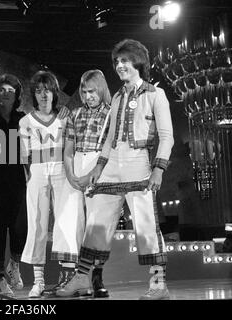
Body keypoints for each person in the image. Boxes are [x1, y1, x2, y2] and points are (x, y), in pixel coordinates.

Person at [58, 39, 174, 300]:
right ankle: (81, 278)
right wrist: (99, 167)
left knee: (146, 226)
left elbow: (167, 137)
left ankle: (158, 285)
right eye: (117, 62)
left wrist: (159, 169)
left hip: (139, 166)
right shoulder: (118, 96)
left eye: (124, 60)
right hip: (111, 168)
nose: (120, 65)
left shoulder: (156, 95)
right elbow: (109, 138)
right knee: (96, 223)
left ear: (138, 62)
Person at [47, 70, 111, 298]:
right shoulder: (75, 114)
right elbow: (68, 149)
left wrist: (94, 171)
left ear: (101, 89)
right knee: (68, 219)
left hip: (100, 165)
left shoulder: (111, 114)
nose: (87, 95)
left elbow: (110, 148)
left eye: (91, 91)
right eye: (84, 91)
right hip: (76, 164)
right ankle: (72, 276)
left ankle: (97, 277)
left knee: (97, 223)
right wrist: (71, 173)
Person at [19, 70, 67, 298]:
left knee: (64, 223)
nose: (43, 95)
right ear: (34, 95)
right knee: (37, 224)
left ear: (54, 92)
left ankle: (66, 277)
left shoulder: (66, 118)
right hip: (37, 172)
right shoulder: (25, 121)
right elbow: (19, 156)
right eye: (38, 91)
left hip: (61, 172)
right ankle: (38, 281)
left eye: (47, 90)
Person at [0, 74, 27, 297]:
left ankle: (14, 263)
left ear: (17, 96)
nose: (5, 93)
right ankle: (0, 280)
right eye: (1, 89)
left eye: (10, 90)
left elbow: (29, 151)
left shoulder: (22, 119)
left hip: (17, 180)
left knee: (21, 228)